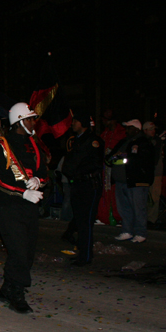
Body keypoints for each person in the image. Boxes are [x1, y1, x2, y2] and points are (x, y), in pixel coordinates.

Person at [0, 102, 47, 314]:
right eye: (30, 119)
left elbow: (44, 172)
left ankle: (6, 288)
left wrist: (38, 181)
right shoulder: (2, 144)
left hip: (30, 208)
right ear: (20, 122)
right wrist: (22, 192)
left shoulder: (34, 144)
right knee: (18, 252)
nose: (34, 122)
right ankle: (16, 292)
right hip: (10, 207)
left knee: (28, 253)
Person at [61, 110, 104, 266]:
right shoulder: (75, 140)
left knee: (86, 222)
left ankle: (85, 256)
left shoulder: (93, 141)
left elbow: (95, 163)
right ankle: (82, 252)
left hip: (89, 185)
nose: (73, 124)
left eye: (75, 121)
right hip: (77, 184)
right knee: (79, 220)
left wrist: (77, 171)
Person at [106, 119, 155, 242]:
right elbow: (110, 157)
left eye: (129, 128)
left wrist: (125, 155)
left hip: (136, 181)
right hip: (121, 181)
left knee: (138, 208)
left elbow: (143, 160)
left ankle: (140, 232)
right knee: (124, 208)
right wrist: (115, 156)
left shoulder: (143, 142)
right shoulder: (123, 141)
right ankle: (127, 230)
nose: (126, 130)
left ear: (137, 129)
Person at [97, 109, 125, 226]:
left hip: (118, 169)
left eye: (106, 120)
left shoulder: (122, 133)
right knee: (105, 191)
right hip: (105, 168)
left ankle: (118, 217)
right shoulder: (105, 134)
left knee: (116, 193)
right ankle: (104, 216)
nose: (104, 122)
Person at [143, 121, 165, 227]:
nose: (153, 131)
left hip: (155, 172)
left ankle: (151, 219)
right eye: (150, 129)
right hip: (145, 172)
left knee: (154, 195)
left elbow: (155, 158)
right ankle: (144, 217)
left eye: (154, 129)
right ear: (145, 131)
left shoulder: (157, 141)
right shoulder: (142, 141)